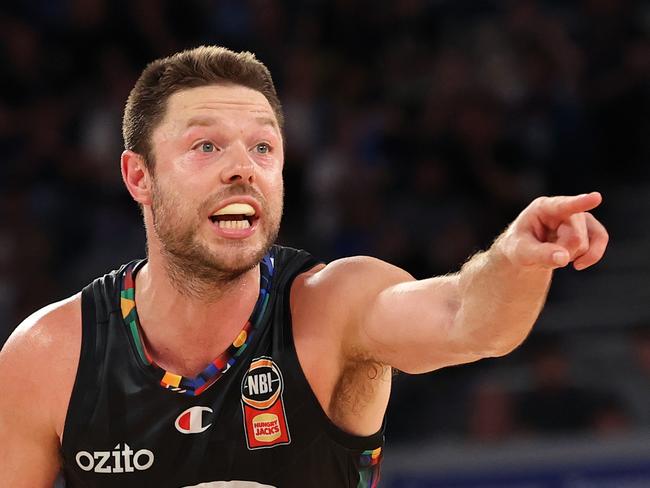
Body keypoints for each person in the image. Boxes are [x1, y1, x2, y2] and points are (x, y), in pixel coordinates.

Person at [0, 46, 608, 488]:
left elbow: (468, 317)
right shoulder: (50, 353)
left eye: (263, 147)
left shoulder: (337, 305)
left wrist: (515, 259)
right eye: (206, 145)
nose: (242, 167)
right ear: (139, 177)